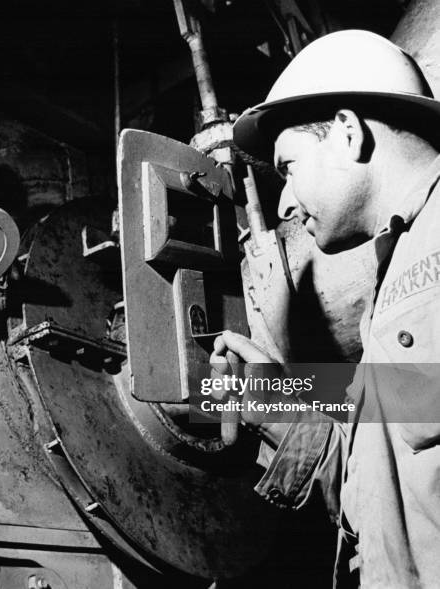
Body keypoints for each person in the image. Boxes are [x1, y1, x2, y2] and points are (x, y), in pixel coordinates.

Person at [215, 29, 440, 588]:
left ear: (346, 133)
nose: (286, 202)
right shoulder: (398, 275)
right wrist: (277, 398)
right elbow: (380, 483)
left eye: (287, 165)